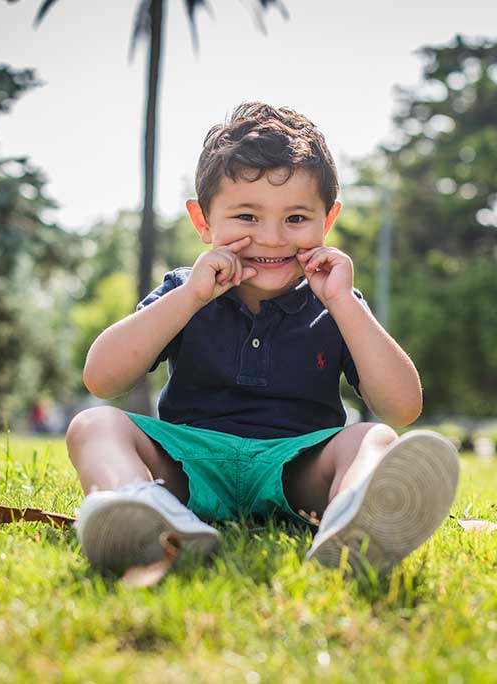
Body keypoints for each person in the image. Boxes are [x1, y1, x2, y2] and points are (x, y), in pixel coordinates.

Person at [66, 102, 459, 575]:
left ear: (326, 222)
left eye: (296, 219)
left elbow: (401, 408)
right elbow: (103, 379)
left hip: (296, 469)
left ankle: (350, 522)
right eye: (247, 217)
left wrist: (344, 305)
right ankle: (141, 509)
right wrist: (191, 298)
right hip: (189, 466)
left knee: (373, 435)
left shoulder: (336, 302)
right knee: (93, 426)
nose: (271, 238)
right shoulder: (185, 290)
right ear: (203, 222)